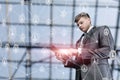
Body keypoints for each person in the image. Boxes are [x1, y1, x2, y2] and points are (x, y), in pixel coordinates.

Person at [54, 12, 114, 80]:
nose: (79, 26)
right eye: (78, 25)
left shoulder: (102, 29)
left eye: (81, 22)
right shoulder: (78, 42)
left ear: (89, 20)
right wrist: (65, 59)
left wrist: (80, 51)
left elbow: (108, 51)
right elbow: (79, 64)